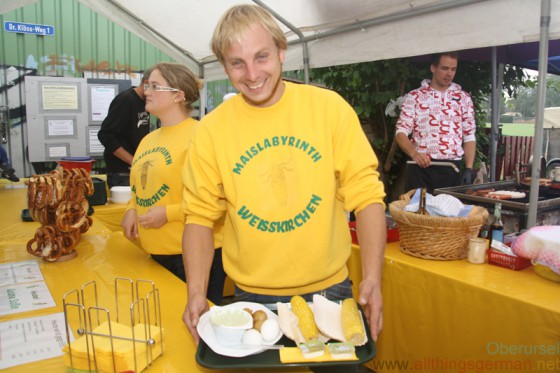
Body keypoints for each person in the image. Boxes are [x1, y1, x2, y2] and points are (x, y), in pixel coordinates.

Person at [181, 4, 386, 357]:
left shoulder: (329, 108)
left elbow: (366, 196)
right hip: (250, 299)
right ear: (224, 66)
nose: (251, 73)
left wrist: (372, 278)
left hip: (331, 294)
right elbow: (199, 216)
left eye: (261, 56)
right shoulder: (212, 130)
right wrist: (196, 291)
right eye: (237, 62)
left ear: (281, 51)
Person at [121, 62, 226, 305]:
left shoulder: (201, 136)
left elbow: (220, 200)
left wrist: (168, 214)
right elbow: (140, 186)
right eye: (147, 85)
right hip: (156, 253)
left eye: (155, 86)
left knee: (196, 332)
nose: (146, 91)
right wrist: (131, 208)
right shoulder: (148, 140)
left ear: (178, 96)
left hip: (194, 257)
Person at [395, 52, 476, 194]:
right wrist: (414, 154)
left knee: (448, 215)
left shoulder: (464, 98)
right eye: (445, 68)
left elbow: (469, 136)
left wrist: (468, 168)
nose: (449, 74)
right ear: (433, 68)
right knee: (416, 215)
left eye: (453, 69)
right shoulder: (415, 96)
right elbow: (400, 132)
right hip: (419, 169)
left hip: (451, 169)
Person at [98, 68, 153, 188]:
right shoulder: (126, 99)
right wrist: (132, 161)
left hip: (135, 171)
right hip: (121, 173)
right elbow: (105, 135)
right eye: (156, 87)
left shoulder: (145, 102)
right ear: (146, 83)